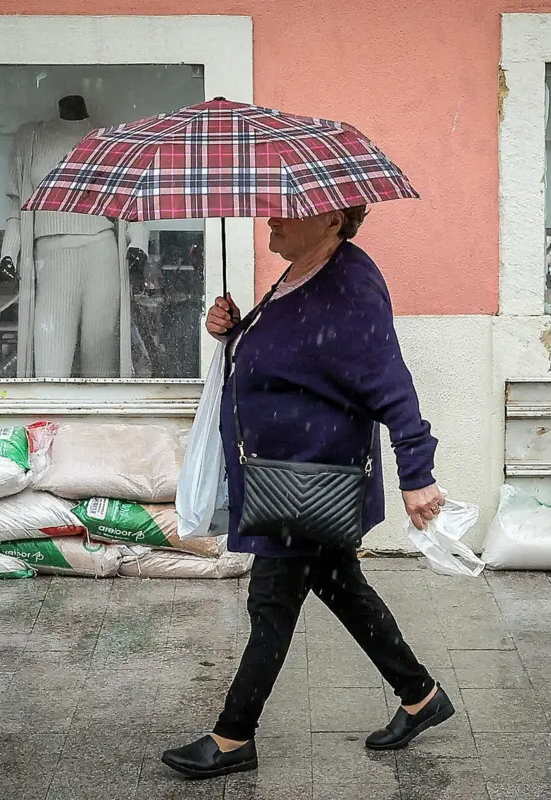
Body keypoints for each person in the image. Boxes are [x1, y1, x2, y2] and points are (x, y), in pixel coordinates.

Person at [161, 206, 454, 779]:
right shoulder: (300, 271)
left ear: (334, 221)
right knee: (341, 585)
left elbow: (391, 382)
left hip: (307, 481)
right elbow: (289, 354)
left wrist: (417, 472)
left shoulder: (351, 283)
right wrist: (231, 328)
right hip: (283, 473)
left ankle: (232, 736)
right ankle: (420, 695)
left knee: (271, 604)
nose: (273, 217)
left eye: (291, 210)